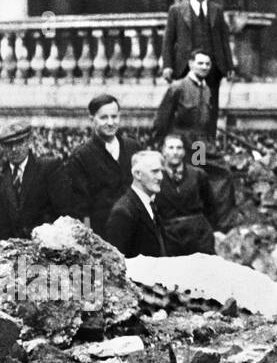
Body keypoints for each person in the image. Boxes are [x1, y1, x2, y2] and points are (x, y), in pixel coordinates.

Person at [59, 94, 141, 239]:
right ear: (92, 119)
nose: (110, 123)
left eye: (114, 117)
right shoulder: (81, 156)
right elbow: (80, 207)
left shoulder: (132, 147)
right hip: (104, 233)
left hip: (136, 229)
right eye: (104, 118)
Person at [162, 0, 234, 137]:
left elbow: (224, 40)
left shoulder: (216, 10)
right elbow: (168, 41)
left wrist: (229, 66)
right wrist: (167, 66)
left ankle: (205, 152)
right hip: (185, 68)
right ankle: (188, 154)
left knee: (209, 110)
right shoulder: (177, 10)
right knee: (186, 111)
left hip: (212, 68)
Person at [154, 133, 218, 256]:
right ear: (163, 151)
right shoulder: (156, 176)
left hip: (198, 235)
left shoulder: (198, 175)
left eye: (179, 148)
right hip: (169, 236)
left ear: (184, 152)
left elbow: (211, 206)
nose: (175, 152)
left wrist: (210, 230)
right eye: (171, 148)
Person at [0, 123, 62, 239]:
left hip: (45, 245)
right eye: (8, 145)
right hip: (10, 250)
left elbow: (63, 213)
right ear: (2, 147)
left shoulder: (48, 169)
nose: (14, 149)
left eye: (19, 143)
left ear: (29, 141)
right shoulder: (2, 177)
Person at [104, 150, 168, 258]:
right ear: (137, 174)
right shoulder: (123, 212)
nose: (161, 177)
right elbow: (117, 262)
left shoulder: (150, 204)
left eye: (161, 171)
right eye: (155, 171)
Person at [153, 49, 213, 148]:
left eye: (207, 64)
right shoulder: (177, 87)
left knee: (207, 163)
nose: (204, 67)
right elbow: (162, 119)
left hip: (199, 145)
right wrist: (159, 143)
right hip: (179, 144)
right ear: (191, 64)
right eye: (200, 63)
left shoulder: (207, 90)